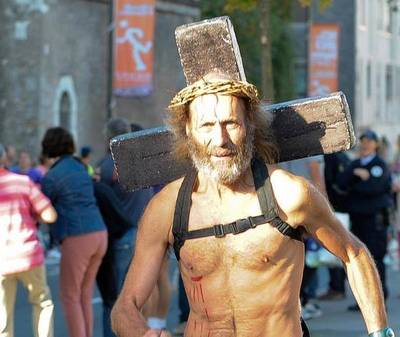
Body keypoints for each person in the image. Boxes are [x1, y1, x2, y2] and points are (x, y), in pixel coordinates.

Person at [111, 73, 392, 337]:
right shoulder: (167, 207)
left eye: (230, 123)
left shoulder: (289, 194)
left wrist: (380, 332)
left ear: (249, 125)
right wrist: (141, 333)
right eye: (207, 125)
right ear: (188, 131)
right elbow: (125, 307)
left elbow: (353, 254)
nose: (220, 140)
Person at [41, 127, 107, 337]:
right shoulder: (81, 166)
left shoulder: (53, 175)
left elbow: (41, 206)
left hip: (78, 235)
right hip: (99, 232)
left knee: (70, 296)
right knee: (84, 295)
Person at [96, 118, 155, 337]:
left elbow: (100, 198)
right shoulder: (137, 161)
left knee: (115, 297)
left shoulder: (107, 165)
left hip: (121, 235)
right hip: (144, 232)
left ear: (108, 137)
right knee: (137, 296)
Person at [0, 143, 57, 337]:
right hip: (28, 254)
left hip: (2, 259)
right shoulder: (22, 182)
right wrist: (33, 215)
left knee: (3, 315)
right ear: (4, 159)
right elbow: (50, 215)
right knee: (42, 302)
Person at [337, 129, 393, 311]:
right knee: (360, 260)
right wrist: (358, 175)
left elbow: (375, 188)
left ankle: (380, 297)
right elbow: (341, 181)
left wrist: (361, 181)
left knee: (377, 258)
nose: (366, 144)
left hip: (375, 221)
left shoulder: (380, 165)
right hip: (358, 219)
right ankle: (365, 300)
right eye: (363, 141)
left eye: (369, 141)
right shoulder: (356, 164)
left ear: (376, 144)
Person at [318, 152, 351, 301]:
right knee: (340, 249)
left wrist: (327, 205)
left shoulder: (329, 157)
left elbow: (329, 182)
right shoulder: (343, 156)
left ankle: (336, 287)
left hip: (333, 207)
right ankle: (338, 286)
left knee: (333, 249)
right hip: (342, 207)